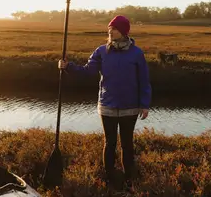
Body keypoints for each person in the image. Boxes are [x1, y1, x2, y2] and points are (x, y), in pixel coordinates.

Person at [58, 15, 151, 187]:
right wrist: (68, 67)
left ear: (123, 32)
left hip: (130, 107)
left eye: (114, 29)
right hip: (107, 106)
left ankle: (129, 178)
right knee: (110, 143)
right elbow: (87, 71)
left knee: (127, 144)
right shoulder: (101, 51)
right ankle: (109, 177)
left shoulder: (137, 54)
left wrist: (144, 104)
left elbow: (144, 80)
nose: (110, 31)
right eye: (109, 28)